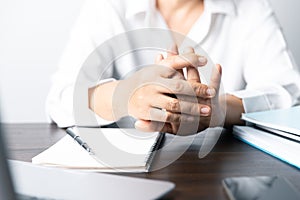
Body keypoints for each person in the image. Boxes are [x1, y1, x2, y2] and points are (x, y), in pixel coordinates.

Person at [46, 0, 300, 135]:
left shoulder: (251, 7)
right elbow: (61, 97)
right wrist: (127, 95)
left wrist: (218, 109)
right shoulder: (108, 6)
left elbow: (289, 93)